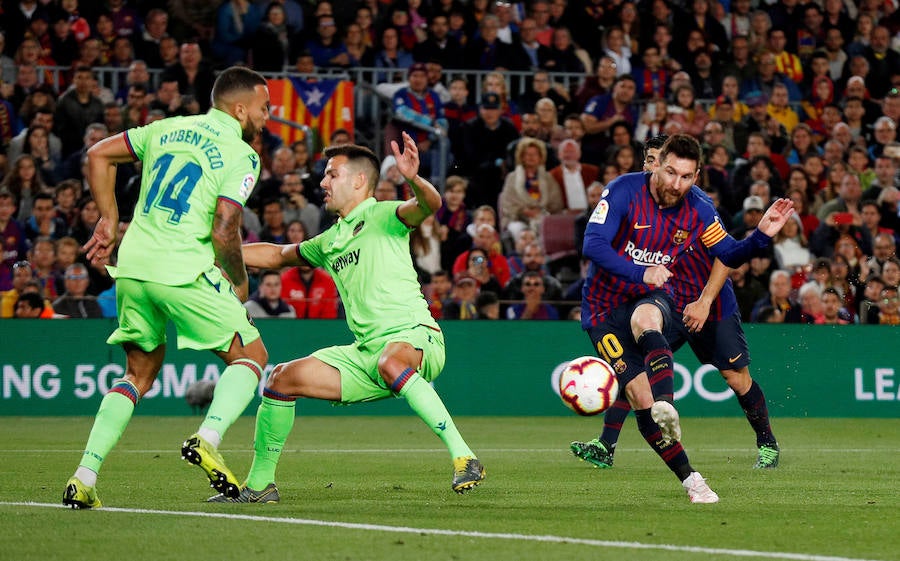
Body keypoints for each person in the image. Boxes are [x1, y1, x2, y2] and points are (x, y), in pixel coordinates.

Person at [215, 133, 485, 503]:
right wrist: (221, 250)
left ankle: (465, 457)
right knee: (280, 379)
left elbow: (429, 203)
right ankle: (260, 486)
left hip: (417, 337)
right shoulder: (329, 240)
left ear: (359, 181)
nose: (323, 182)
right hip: (366, 355)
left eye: (331, 174)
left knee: (391, 360)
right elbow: (278, 256)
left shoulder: (381, 214)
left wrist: (413, 178)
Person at [62, 67, 273, 509]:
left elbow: (98, 155)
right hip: (183, 269)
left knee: (137, 373)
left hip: (133, 267)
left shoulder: (166, 128)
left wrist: (109, 219)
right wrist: (237, 278)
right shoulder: (241, 153)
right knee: (251, 357)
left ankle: (84, 476)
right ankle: (208, 438)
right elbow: (225, 226)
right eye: (263, 108)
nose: (267, 117)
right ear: (239, 109)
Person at [572, 133, 793, 503]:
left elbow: (728, 253)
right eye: (670, 172)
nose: (676, 184)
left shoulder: (700, 209)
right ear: (655, 164)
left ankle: (670, 407)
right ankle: (689, 477)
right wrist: (641, 272)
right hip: (603, 308)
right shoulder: (623, 190)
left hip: (660, 296)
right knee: (638, 395)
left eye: (686, 177)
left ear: (697, 176)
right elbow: (592, 244)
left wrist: (760, 236)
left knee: (648, 322)